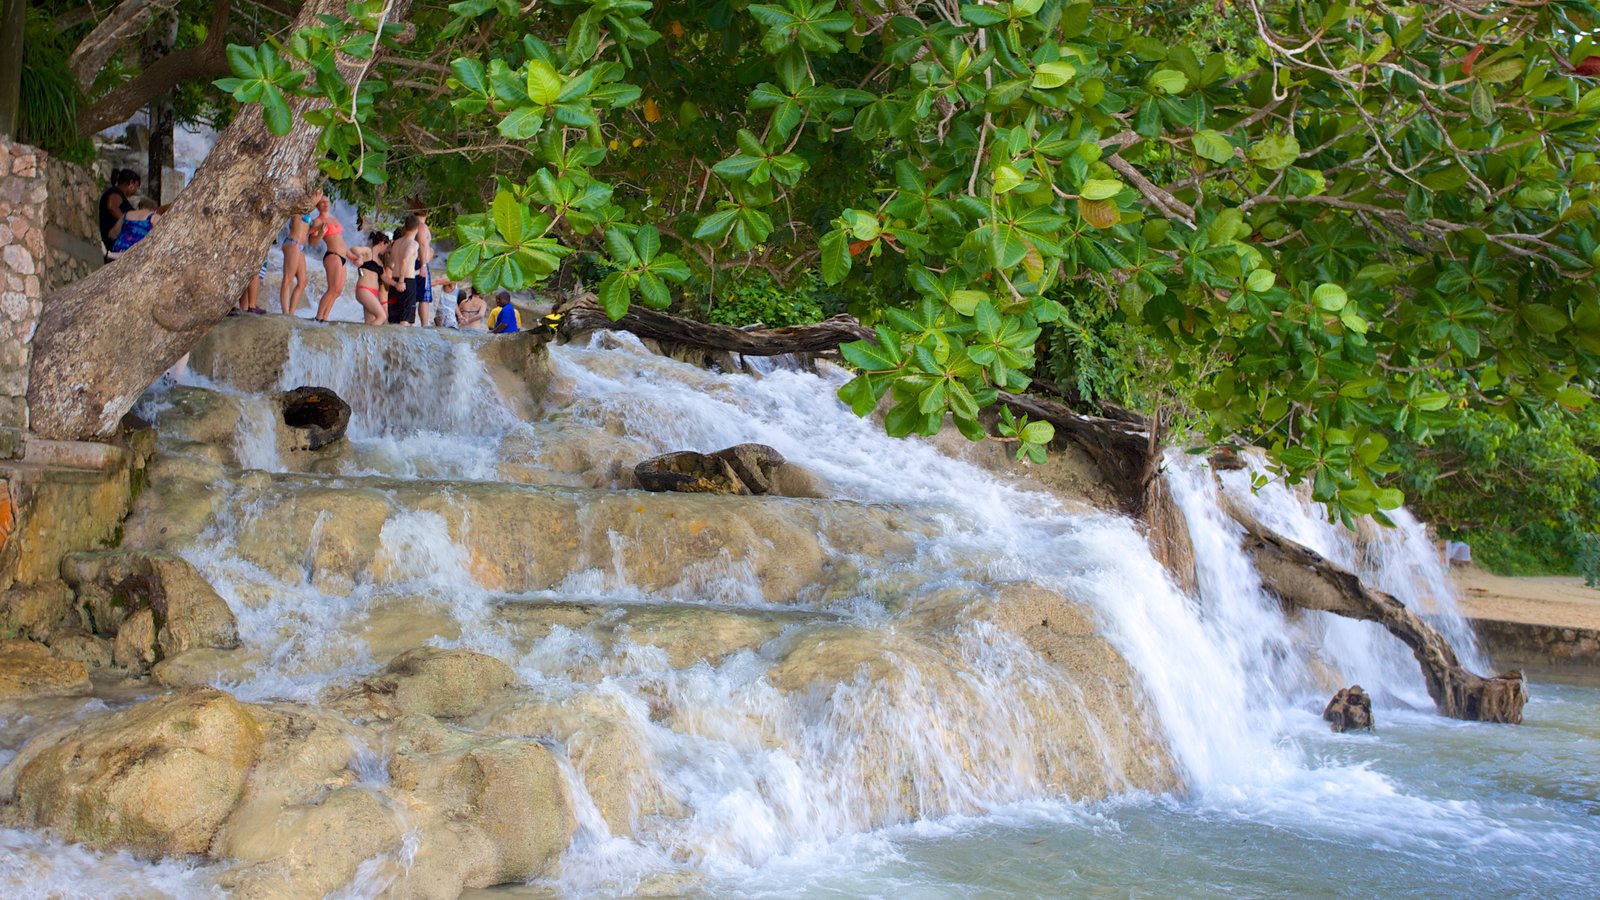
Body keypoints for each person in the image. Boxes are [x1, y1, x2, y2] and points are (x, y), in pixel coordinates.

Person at [309, 195, 351, 324]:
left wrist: (351, 256)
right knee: (332, 288)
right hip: (333, 255)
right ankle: (318, 317)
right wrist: (321, 233)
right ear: (317, 206)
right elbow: (311, 242)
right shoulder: (317, 221)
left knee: (337, 291)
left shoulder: (334, 219)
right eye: (322, 202)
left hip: (343, 257)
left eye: (327, 201)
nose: (326, 203)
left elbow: (341, 241)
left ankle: (325, 318)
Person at [280, 192, 322, 316]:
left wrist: (316, 231)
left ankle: (291, 313)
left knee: (303, 282)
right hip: (293, 242)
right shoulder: (299, 209)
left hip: (299, 246)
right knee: (288, 278)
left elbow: (307, 235)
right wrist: (314, 202)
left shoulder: (309, 214)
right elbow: (297, 221)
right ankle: (285, 313)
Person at [385, 215, 423, 325]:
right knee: (405, 319)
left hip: (395, 281)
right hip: (406, 282)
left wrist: (397, 274)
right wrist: (401, 280)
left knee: (394, 320)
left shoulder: (396, 243)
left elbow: (390, 263)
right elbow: (404, 260)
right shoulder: (413, 243)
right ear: (417, 228)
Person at [348, 231, 391, 325]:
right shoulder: (368, 252)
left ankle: (364, 335)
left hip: (373, 293)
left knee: (369, 322)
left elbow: (385, 278)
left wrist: (396, 284)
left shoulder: (379, 262)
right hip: (364, 290)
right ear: (381, 243)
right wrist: (360, 257)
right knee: (382, 316)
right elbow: (353, 249)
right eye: (386, 247)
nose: (386, 250)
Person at [99, 169, 140, 260]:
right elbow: (112, 206)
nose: (136, 190)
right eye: (136, 186)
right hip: (114, 245)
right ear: (131, 183)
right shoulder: (116, 193)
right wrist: (127, 222)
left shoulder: (118, 194)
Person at [416, 213, 435, 328]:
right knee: (424, 297)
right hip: (420, 262)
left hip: (416, 262)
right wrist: (423, 264)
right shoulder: (421, 226)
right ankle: (424, 325)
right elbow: (422, 245)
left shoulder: (414, 225)